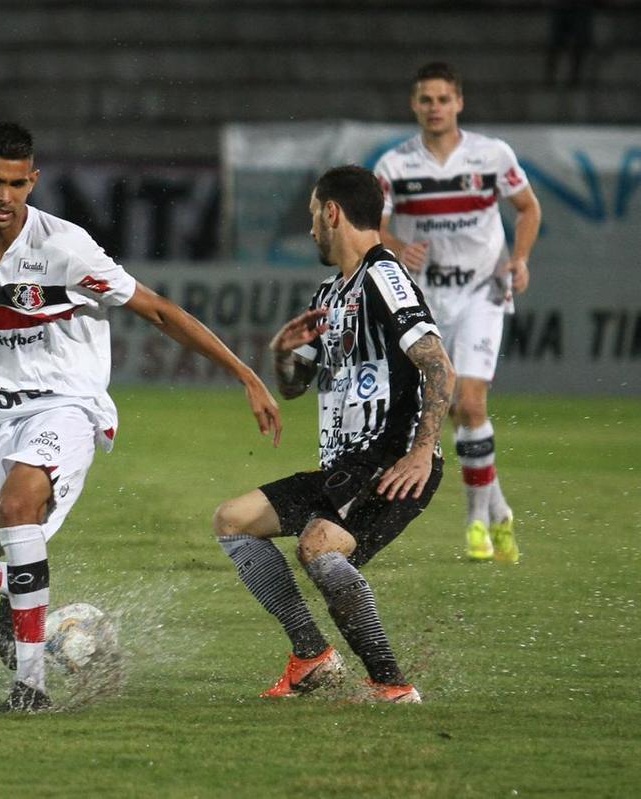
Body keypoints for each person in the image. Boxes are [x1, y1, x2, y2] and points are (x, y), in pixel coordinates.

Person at [0, 122, 281, 711]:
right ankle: (44, 611)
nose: (5, 196)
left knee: (17, 506)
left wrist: (245, 373)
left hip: (66, 408)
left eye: (18, 184)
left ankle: (29, 687)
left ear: (33, 181)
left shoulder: (64, 248)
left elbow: (158, 311)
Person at [213, 165, 455, 703]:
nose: (310, 231)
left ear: (332, 212)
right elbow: (298, 386)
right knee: (233, 521)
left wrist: (420, 453)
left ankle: (392, 686)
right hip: (345, 466)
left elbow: (438, 366)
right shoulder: (333, 290)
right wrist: (281, 354)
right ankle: (312, 657)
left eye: (312, 218)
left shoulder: (383, 276)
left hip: (388, 459)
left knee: (319, 546)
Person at [374, 62, 541, 564]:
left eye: (443, 99)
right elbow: (373, 226)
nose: (435, 108)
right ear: (414, 105)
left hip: (482, 292)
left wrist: (520, 259)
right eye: (426, 99)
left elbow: (527, 207)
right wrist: (398, 246)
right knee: (440, 408)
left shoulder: (491, 155)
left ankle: (473, 523)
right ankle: (498, 510)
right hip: (422, 299)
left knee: (469, 403)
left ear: (459, 103)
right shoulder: (395, 165)